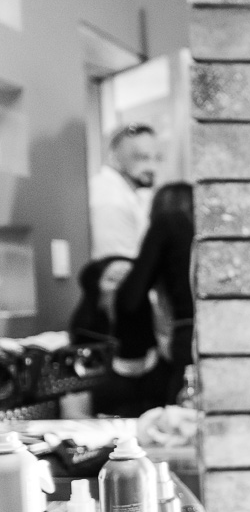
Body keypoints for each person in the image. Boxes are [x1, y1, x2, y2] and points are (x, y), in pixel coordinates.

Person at [116, 182, 195, 404]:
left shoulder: (167, 223)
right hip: (226, 334)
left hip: (189, 335)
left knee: (180, 413)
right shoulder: (209, 233)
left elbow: (131, 298)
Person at [68, 255, 164, 417]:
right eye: (113, 280)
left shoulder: (165, 347)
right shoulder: (83, 351)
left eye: (131, 282)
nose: (123, 289)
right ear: (95, 291)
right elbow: (73, 415)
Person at [89, 123, 158, 260]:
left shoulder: (132, 193)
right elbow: (120, 266)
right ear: (114, 158)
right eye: (142, 157)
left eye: (157, 158)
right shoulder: (111, 199)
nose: (152, 167)